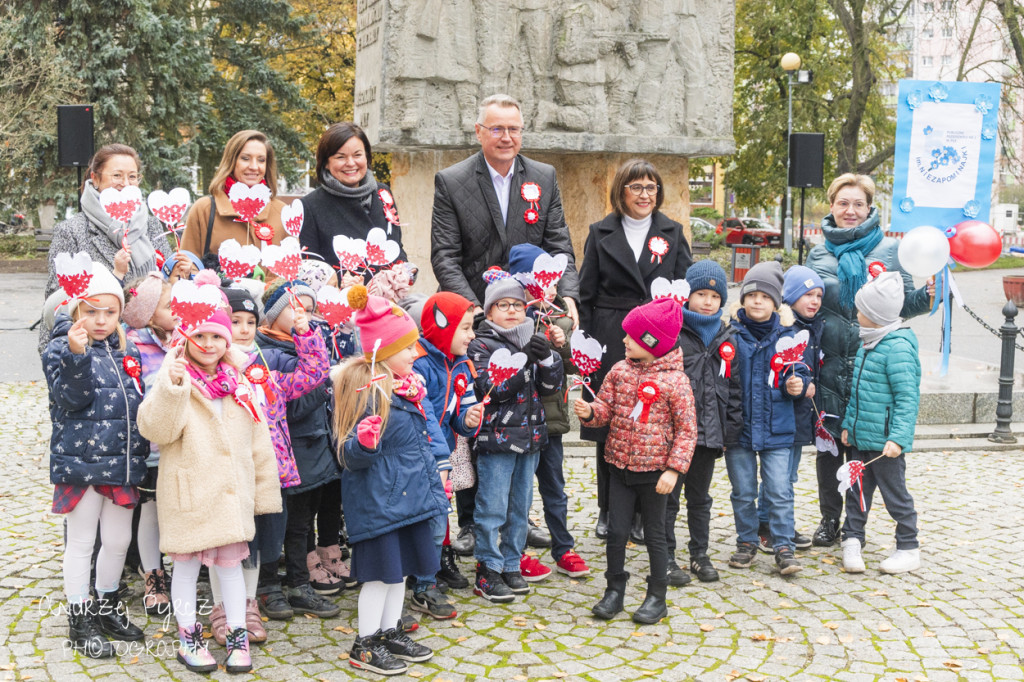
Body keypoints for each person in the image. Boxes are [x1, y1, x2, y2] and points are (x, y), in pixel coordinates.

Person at [138, 308, 282, 674]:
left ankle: (237, 636)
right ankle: (189, 638)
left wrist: (263, 493)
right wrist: (170, 387)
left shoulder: (240, 380)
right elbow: (156, 429)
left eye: (216, 336)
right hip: (189, 495)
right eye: (199, 336)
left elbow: (259, 442)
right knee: (185, 570)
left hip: (230, 496)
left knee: (232, 570)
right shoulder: (176, 377)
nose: (208, 344)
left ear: (227, 340)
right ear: (185, 338)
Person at [804, 173, 933, 547]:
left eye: (858, 203)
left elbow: (904, 307)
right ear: (831, 205)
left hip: (869, 365)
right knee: (829, 451)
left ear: (870, 207)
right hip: (828, 365)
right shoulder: (818, 252)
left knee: (865, 450)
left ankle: (854, 528)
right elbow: (809, 303)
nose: (851, 210)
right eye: (843, 203)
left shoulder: (891, 253)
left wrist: (927, 295)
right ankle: (830, 519)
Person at [333, 286, 447, 677]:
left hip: (408, 499)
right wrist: (363, 443)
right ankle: (363, 643)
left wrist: (437, 483)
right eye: (407, 348)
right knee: (379, 577)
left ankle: (388, 630)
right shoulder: (366, 391)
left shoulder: (409, 388)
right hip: (379, 503)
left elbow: (419, 446)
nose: (415, 355)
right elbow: (346, 454)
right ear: (382, 351)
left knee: (400, 572)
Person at [578, 158, 692, 541]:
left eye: (651, 187)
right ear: (621, 191)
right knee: (609, 422)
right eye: (637, 187)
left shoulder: (673, 232)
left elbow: (684, 291)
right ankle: (609, 510)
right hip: (612, 337)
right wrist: (588, 349)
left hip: (658, 344)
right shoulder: (600, 232)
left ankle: (646, 513)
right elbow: (587, 292)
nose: (645, 195)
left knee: (652, 425)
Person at [44, 262, 148, 658]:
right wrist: (76, 354)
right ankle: (79, 614)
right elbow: (72, 398)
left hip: (122, 462)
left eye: (110, 312)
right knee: (83, 541)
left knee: (119, 540)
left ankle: (107, 604)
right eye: (91, 311)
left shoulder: (127, 346)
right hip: (83, 462)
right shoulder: (60, 347)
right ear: (75, 311)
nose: (101, 320)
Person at [574, 297, 696, 624]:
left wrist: (674, 469)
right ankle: (614, 589)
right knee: (616, 532)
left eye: (632, 336)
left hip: (655, 473)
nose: (624, 340)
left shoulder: (676, 382)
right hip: (619, 467)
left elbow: (687, 431)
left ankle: (657, 595)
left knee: (655, 534)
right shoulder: (619, 370)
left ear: (651, 341)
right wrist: (590, 413)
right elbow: (606, 410)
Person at [430, 93, 580, 321]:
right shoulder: (451, 182)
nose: (507, 138)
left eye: (514, 129)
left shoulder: (544, 177)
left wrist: (568, 296)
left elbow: (559, 246)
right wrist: (475, 311)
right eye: (497, 129)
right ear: (478, 132)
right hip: (473, 314)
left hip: (530, 312)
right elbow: (445, 257)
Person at [468, 272, 564, 603]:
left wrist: (548, 357)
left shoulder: (533, 337)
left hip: (531, 437)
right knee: (492, 507)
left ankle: (511, 562)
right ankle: (488, 568)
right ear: (489, 311)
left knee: (520, 507)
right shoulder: (480, 344)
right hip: (496, 440)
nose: (512, 310)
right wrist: (524, 358)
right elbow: (492, 391)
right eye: (503, 305)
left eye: (518, 305)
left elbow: (551, 388)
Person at [254, 281, 343, 617]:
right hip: (284, 451)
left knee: (301, 524)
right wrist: (324, 389)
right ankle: (268, 586)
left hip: (312, 448)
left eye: (308, 308)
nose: (302, 315)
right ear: (274, 316)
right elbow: (286, 407)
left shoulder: (307, 346)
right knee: (275, 522)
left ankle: (299, 584)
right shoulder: (267, 354)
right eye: (295, 307)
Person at [508, 243, 590, 579]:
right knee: (520, 491)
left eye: (555, 283)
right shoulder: (509, 317)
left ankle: (563, 547)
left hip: (552, 420)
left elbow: (573, 366)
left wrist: (562, 344)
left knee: (555, 487)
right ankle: (517, 551)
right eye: (543, 282)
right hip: (518, 422)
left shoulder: (559, 318)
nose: (551, 290)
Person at [724, 261, 809, 576]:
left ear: (776, 302)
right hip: (740, 429)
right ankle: (746, 542)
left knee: (779, 488)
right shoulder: (730, 335)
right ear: (742, 298)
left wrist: (796, 386)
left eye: (765, 296)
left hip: (777, 428)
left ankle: (783, 545)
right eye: (751, 294)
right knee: (743, 490)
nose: (757, 301)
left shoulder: (789, 336)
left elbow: (798, 372)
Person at [840, 271, 922, 574]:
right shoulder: (868, 342)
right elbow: (857, 392)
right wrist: (849, 424)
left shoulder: (897, 347)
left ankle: (908, 546)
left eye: (862, 310)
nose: (857, 314)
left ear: (875, 316)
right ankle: (852, 538)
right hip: (861, 439)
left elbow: (907, 398)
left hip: (886, 444)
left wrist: (898, 438)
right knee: (856, 491)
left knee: (895, 495)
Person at [665, 260, 741, 585]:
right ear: (688, 295)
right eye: (700, 294)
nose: (707, 301)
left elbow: (735, 389)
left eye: (714, 295)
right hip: (674, 436)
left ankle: (699, 554)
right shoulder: (673, 332)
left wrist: (729, 431)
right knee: (668, 499)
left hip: (709, 435)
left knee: (700, 499)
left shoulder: (728, 338)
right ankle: (665, 556)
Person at [410, 292, 486, 618]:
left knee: (438, 515)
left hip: (443, 455)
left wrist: (468, 422)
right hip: (418, 456)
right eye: (466, 328)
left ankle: (426, 580)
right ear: (443, 326)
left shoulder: (463, 366)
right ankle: (416, 579)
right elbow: (420, 414)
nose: (472, 335)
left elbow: (459, 415)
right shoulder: (417, 364)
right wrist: (437, 455)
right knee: (419, 517)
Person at [756, 265, 825, 554]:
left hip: (802, 418)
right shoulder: (785, 328)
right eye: (808, 294)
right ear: (792, 296)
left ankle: (782, 524)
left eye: (819, 296)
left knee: (788, 476)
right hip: (783, 415)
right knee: (778, 477)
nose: (814, 301)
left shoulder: (813, 327)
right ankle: (766, 526)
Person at [45, 145, 168, 300]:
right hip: (99, 323)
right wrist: (116, 275)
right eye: (117, 175)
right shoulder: (71, 231)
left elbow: (168, 287)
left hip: (149, 323)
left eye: (132, 176)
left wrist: (180, 273)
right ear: (95, 178)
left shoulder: (151, 225)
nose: (125, 183)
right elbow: (56, 296)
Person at [122, 274, 178, 617]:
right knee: (151, 513)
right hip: (151, 447)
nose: (176, 312)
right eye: (168, 306)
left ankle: (183, 566)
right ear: (146, 313)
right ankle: (153, 575)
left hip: (181, 444)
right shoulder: (133, 344)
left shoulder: (183, 340)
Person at [299, 122, 407, 280]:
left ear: (367, 157)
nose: (350, 163)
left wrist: (406, 270)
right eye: (340, 157)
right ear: (326, 163)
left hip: (388, 298)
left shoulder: (383, 193)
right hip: (340, 300)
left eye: (357, 155)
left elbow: (395, 246)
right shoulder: (310, 205)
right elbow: (310, 266)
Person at [180, 130, 287, 258]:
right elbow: (187, 267)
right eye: (245, 158)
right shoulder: (204, 210)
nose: (254, 166)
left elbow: (292, 268)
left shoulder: (282, 212)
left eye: (261, 160)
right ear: (231, 161)